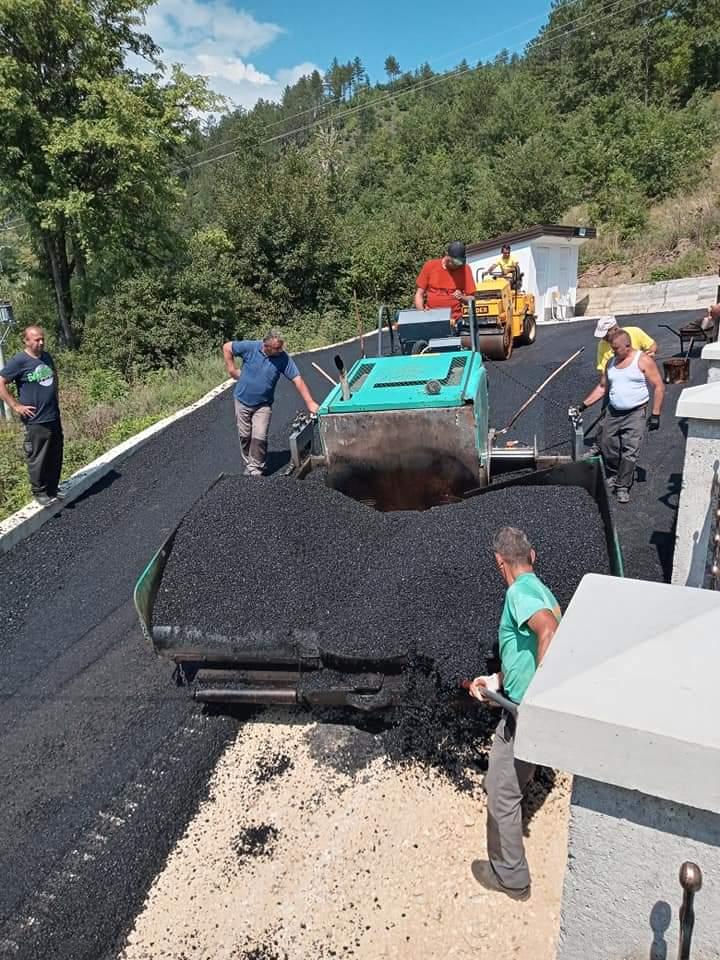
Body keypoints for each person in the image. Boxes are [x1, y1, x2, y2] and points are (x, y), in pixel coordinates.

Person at [468, 527, 561, 901]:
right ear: (533, 556)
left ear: (498, 562)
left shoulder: (520, 592)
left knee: (501, 794)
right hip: (522, 706)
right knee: (509, 784)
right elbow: (525, 651)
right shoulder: (542, 590)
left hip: (524, 715)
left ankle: (510, 877)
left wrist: (537, 701)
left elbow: (548, 631)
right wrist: (495, 680)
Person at [578, 330, 665, 503]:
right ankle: (613, 474)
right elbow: (603, 388)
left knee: (629, 450)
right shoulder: (611, 363)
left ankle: (622, 486)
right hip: (613, 411)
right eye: (612, 348)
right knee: (607, 445)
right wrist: (583, 405)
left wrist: (655, 414)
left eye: (616, 349)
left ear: (627, 346)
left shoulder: (643, 360)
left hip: (635, 412)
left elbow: (659, 386)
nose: (613, 352)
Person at [223, 329, 319, 477]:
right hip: (242, 401)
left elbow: (297, 379)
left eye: (281, 347)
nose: (280, 350)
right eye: (277, 348)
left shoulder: (283, 358)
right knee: (245, 436)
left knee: (259, 437)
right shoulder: (250, 347)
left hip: (263, 405)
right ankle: (249, 464)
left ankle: (255, 470)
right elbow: (227, 347)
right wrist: (231, 369)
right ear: (266, 346)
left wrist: (310, 402)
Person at [0, 325, 64, 506]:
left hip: (52, 414)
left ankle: (53, 487)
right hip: (35, 419)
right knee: (38, 455)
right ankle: (40, 491)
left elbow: (54, 375)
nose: (41, 342)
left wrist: (55, 397)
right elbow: (1, 383)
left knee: (55, 453)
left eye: (42, 339)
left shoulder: (46, 357)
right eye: (36, 340)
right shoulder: (19, 361)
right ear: (26, 341)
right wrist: (15, 406)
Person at [414, 241, 476, 327]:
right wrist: (422, 315)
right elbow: (419, 294)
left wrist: (463, 297)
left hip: (454, 321)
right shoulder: (430, 266)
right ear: (447, 256)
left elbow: (472, 299)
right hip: (431, 319)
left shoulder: (465, 269)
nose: (457, 267)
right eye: (454, 263)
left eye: (459, 264)